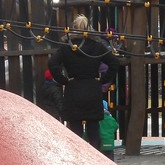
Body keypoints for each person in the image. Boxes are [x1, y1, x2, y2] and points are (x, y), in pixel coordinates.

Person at [49, 14, 120, 157]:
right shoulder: (97, 46)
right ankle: (95, 157)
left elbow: (52, 64)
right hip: (92, 89)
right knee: (93, 128)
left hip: (73, 89)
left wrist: (63, 80)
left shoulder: (67, 47)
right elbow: (114, 62)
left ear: (73, 28)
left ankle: (77, 157)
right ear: (89, 28)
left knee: (75, 129)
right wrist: (102, 80)